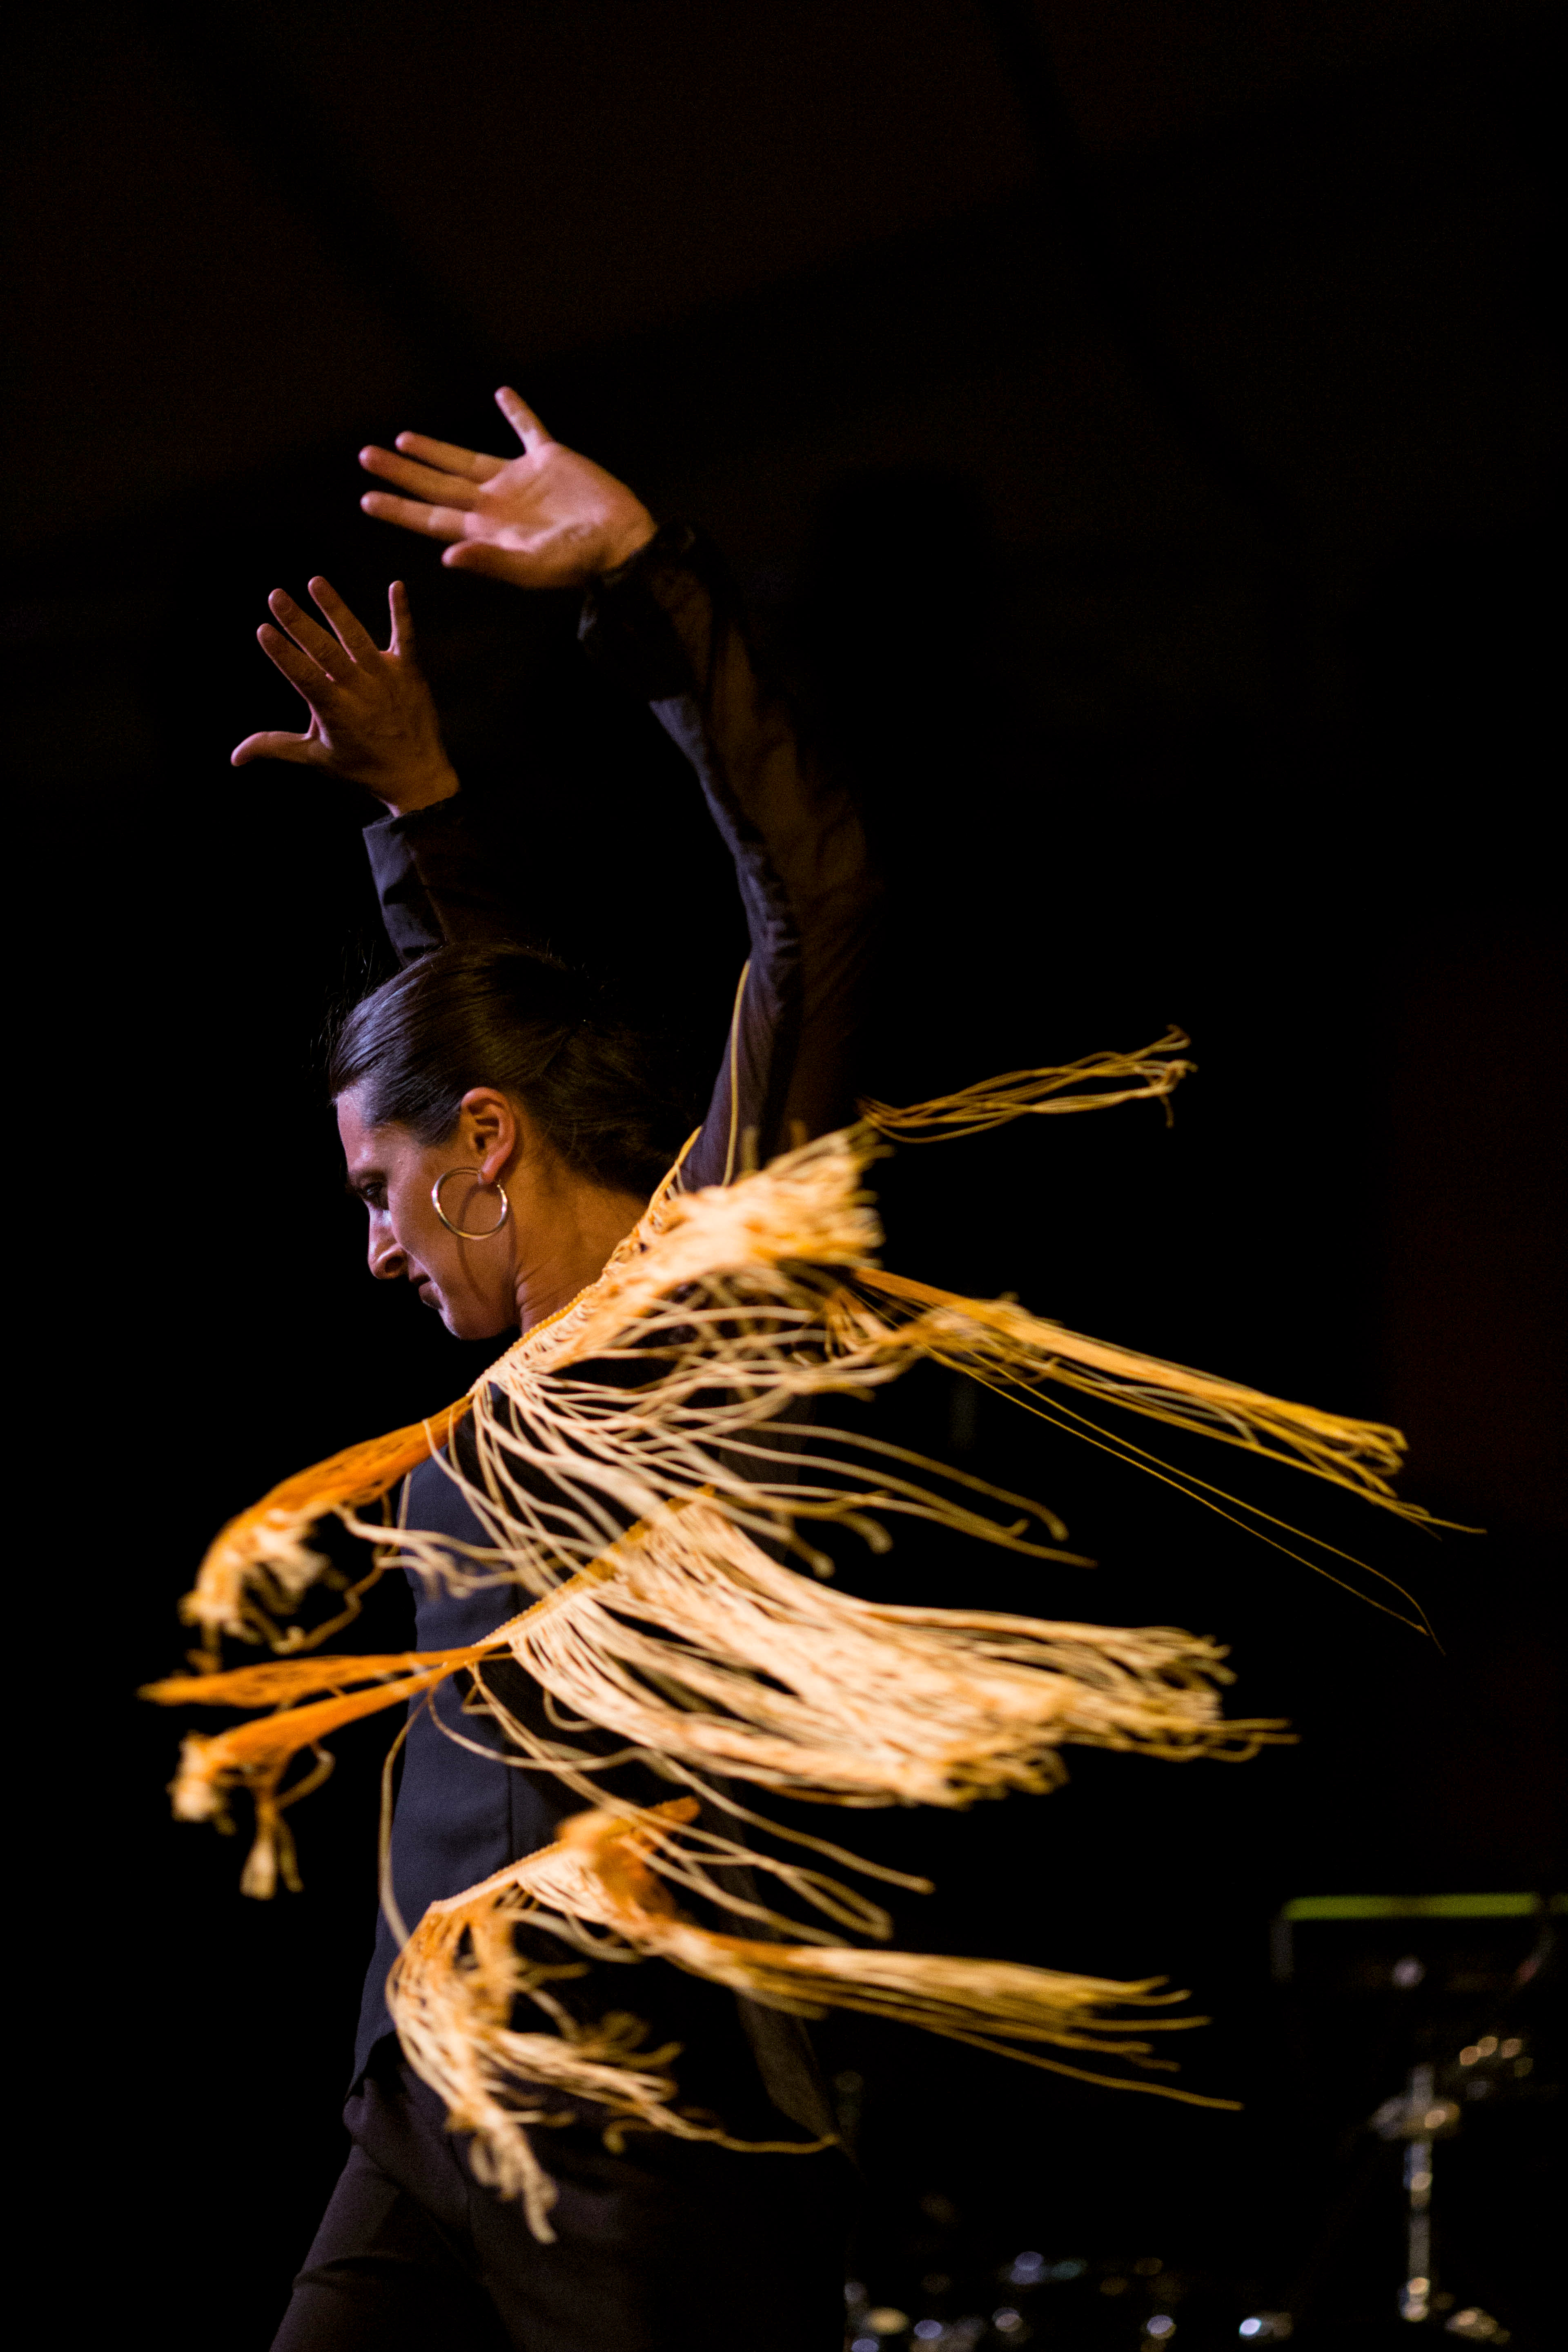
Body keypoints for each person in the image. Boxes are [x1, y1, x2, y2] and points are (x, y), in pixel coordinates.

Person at [239, 391, 882, 2352]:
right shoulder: (519, 1365)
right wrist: (421, 809)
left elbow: (818, 904)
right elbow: (481, 1041)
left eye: (383, 1188)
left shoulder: (716, 1287)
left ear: (488, 1152)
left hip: (632, 2121)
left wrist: (650, 588)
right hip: (421, 2100)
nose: (373, 1241)